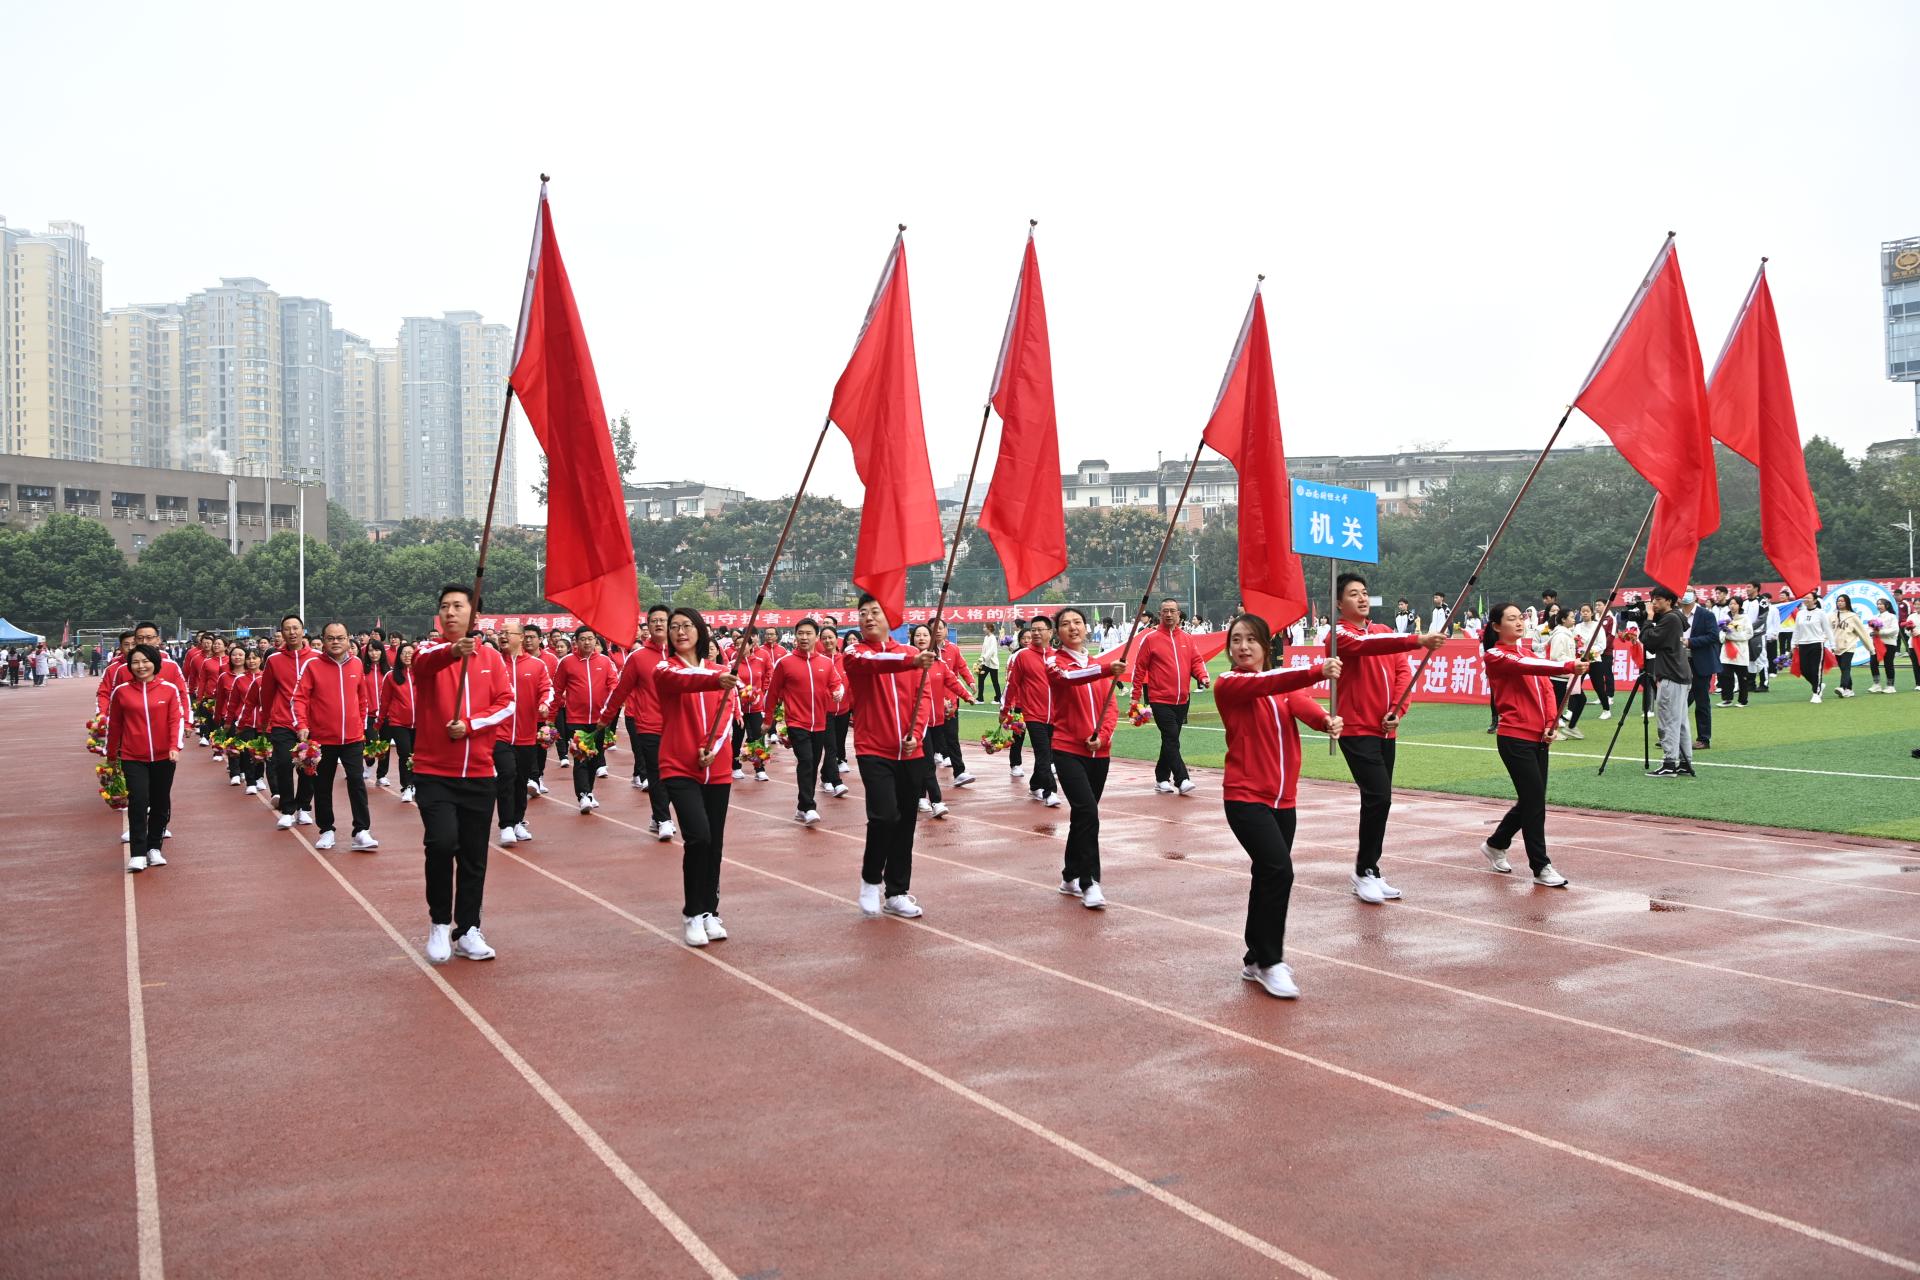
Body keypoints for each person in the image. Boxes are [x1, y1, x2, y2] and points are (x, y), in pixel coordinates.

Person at [1213, 615, 1342, 998]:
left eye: (1251, 639)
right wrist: (1317, 670)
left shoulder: (1280, 688)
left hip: (1284, 799)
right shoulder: (1230, 683)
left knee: (1267, 875)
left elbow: (1301, 703)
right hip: (1245, 797)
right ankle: (1271, 962)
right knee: (1279, 870)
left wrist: (1326, 721)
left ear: (1265, 646)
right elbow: (1273, 683)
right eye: (1236, 640)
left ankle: (1255, 958)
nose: (1243, 647)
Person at [411, 585, 515, 964]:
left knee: (474, 855)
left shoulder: (492, 658)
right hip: (434, 771)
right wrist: (454, 651)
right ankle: (440, 922)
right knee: (441, 843)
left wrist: (470, 725)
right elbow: (424, 664)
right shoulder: (428, 651)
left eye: (458, 606)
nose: (450, 612)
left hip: (479, 772)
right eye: (444, 606)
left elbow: (507, 703)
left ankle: (468, 929)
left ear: (475, 615)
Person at [1331, 572, 1441, 901]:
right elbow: (1364, 647)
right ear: (1339, 603)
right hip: (1355, 728)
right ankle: (1363, 870)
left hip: (1385, 730)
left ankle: (1370, 869)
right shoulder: (1338, 635)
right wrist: (1416, 640)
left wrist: (1397, 711)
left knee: (1379, 800)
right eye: (1353, 594)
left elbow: (1402, 672)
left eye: (1364, 592)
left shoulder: (1383, 631)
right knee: (1379, 796)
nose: (1362, 598)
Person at [841, 594, 940, 919]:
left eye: (875, 612)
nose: (868, 617)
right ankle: (871, 879)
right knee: (884, 816)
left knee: (906, 822)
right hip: (873, 749)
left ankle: (897, 892)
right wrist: (910, 662)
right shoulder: (855, 652)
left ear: (890, 618)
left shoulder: (912, 655)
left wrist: (917, 733)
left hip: (911, 752)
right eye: (863, 613)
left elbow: (923, 698)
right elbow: (873, 663)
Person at [1478, 603, 1585, 886]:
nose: (1519, 623)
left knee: (1531, 800)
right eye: (1511, 619)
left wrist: (1551, 724)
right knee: (1534, 801)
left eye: (1521, 618)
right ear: (1496, 626)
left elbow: (1547, 689)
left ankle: (1496, 843)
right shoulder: (1495, 655)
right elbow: (1525, 667)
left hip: (1539, 737)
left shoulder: (1528, 654)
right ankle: (1540, 866)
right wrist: (1568, 666)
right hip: (1514, 737)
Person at [655, 607, 742, 946]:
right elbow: (683, 681)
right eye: (674, 626)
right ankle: (692, 912)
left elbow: (727, 715)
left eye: (687, 625)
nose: (680, 631)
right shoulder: (666, 668)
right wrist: (714, 680)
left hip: (716, 767)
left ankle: (709, 911)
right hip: (679, 766)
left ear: (700, 631)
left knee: (714, 842)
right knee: (698, 837)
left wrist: (712, 748)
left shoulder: (722, 673)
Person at [1045, 606, 1126, 910]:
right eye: (1066, 624)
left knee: (1083, 816)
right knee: (1088, 812)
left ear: (1086, 627)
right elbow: (1069, 678)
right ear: (1058, 632)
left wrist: (1102, 736)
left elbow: (1111, 708)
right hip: (1067, 748)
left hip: (1099, 752)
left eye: (1078, 622)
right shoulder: (1054, 662)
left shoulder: (1097, 664)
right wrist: (1106, 669)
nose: (1073, 627)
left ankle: (1070, 874)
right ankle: (1089, 882)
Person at [292, 622, 379, 852]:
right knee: (322, 786)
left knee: (357, 782)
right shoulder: (312, 665)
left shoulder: (357, 663)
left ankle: (361, 831)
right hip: (322, 739)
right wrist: (302, 725)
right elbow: (299, 698)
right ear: (323, 640)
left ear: (348, 639)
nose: (336, 642)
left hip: (352, 738)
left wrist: (361, 726)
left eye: (340, 638)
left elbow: (363, 699)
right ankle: (326, 830)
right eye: (331, 638)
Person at [107, 644, 186, 873]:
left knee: (160, 801)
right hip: (133, 756)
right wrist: (111, 755)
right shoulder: (121, 691)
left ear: (155, 663)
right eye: (135, 662)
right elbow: (115, 724)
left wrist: (174, 746)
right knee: (139, 800)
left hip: (164, 756)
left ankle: (154, 848)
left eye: (145, 661)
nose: (141, 666)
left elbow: (176, 719)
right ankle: (138, 853)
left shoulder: (169, 689)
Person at [765, 617, 845, 826]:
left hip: (819, 722)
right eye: (800, 633)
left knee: (814, 762)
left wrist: (838, 692)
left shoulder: (825, 663)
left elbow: (836, 683)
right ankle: (809, 806)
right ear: (795, 636)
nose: (804, 637)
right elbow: (772, 692)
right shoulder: (785, 663)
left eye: (808, 633)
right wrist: (767, 720)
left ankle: (802, 807)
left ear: (816, 637)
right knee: (807, 761)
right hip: (796, 722)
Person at [1134, 596, 1213, 796]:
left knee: (1170, 740)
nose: (1169, 614)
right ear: (1160, 614)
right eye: (1165, 611)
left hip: (1182, 699)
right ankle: (1182, 779)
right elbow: (1139, 668)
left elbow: (1196, 661)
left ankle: (1161, 778)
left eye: (1172, 611)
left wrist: (1202, 676)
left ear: (1179, 614)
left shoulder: (1187, 638)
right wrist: (1135, 697)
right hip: (1159, 699)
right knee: (1171, 738)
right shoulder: (1150, 639)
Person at [257, 615, 319, 830]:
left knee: (309, 764)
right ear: (282, 633)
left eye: (296, 628)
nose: (292, 632)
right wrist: (265, 720)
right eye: (287, 629)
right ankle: (287, 809)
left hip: (311, 722)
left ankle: (304, 807)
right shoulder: (274, 660)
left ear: (303, 630)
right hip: (282, 721)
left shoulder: (317, 658)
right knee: (284, 764)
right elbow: (267, 693)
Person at [496, 622, 553, 847]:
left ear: (520, 637)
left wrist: (544, 703)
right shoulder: (494, 663)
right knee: (507, 774)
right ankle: (506, 825)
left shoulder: (537, 665)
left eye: (507, 633)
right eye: (500, 633)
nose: (502, 636)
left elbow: (547, 689)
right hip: (499, 734)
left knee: (521, 780)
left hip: (526, 733)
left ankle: (518, 821)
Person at [553, 627, 616, 812]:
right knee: (581, 757)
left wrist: (610, 705)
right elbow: (557, 689)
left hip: (599, 719)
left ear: (596, 641)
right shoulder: (566, 662)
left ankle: (589, 792)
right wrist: (550, 716)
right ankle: (583, 795)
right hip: (575, 718)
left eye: (590, 639)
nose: (587, 642)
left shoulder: (605, 661)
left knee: (594, 758)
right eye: (582, 639)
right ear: (576, 642)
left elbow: (613, 684)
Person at [1004, 614, 1060, 805]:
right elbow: (1012, 684)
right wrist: (1005, 710)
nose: (1036, 633)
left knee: (1049, 753)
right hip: (1033, 714)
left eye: (1040, 629)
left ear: (1050, 632)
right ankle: (1050, 792)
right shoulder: (1022, 656)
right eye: (1033, 629)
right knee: (1043, 753)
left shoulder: (1058, 656)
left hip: (1056, 716)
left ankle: (1035, 784)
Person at [1641, 587, 1693, 777]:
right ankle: (1685, 762)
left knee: (1668, 720)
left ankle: (1669, 763)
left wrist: (1648, 618)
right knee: (1680, 721)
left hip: (1671, 674)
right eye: (1653, 599)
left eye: (1658, 599)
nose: (1654, 603)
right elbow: (1655, 644)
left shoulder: (1670, 618)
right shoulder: (1677, 617)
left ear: (1669, 601)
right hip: (1680, 673)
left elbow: (1648, 640)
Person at [929, 616, 977, 786]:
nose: (937, 631)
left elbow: (961, 667)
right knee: (929, 740)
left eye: (940, 628)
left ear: (946, 630)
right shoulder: (923, 653)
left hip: (950, 701)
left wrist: (970, 682)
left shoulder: (953, 649)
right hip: (929, 703)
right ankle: (925, 779)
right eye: (933, 629)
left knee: (952, 736)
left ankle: (959, 772)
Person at [379, 643, 419, 803]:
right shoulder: (391, 676)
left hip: (419, 723)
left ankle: (415, 783)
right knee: (405, 753)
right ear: (399, 656)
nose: (407, 656)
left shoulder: (422, 674)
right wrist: (380, 720)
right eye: (404, 653)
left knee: (417, 754)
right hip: (398, 722)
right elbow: (385, 700)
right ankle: (407, 786)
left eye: (410, 653)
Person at [1680, 593, 1720, 750]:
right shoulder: (1676, 614)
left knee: (1701, 701)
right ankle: (1673, 735)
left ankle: (1703, 738)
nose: (1685, 593)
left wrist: (1690, 642)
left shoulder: (1706, 615)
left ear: (1695, 596)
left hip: (1700, 662)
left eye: (1689, 590)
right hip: (1680, 662)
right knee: (1679, 700)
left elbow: (1713, 636)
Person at [1789, 589, 1835, 702]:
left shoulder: (1821, 613)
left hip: (1817, 644)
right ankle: (1819, 685)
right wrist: (1793, 644)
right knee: (1804, 669)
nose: (1806, 600)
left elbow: (1827, 629)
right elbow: (1797, 630)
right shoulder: (1800, 613)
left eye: (1809, 598)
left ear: (1814, 600)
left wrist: (1832, 645)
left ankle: (1816, 693)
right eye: (1805, 598)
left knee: (1816, 669)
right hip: (1803, 644)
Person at [1829, 594, 1872, 699]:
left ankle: (1842, 687)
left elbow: (1862, 632)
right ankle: (1849, 689)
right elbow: (1828, 631)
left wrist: (1870, 648)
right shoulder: (1832, 616)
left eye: (1842, 601)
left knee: (1845, 667)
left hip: (1849, 646)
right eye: (1838, 601)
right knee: (1843, 668)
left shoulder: (1853, 616)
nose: (1840, 603)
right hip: (1837, 647)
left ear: (1847, 602)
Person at [1868, 599, 1900, 692]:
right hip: (1876, 643)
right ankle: (1876, 684)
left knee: (1888, 664)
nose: (1879, 606)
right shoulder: (1875, 617)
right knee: (1873, 663)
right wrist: (1871, 633)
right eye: (1878, 604)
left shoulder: (1892, 616)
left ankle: (1890, 686)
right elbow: (1869, 629)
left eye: (1881, 604)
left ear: (1887, 606)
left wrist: (1880, 633)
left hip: (1889, 643)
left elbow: (1895, 630)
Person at [975, 623, 1004, 703]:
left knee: (995, 681)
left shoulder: (993, 638)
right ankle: (980, 698)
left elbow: (990, 651)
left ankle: (998, 698)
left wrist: (983, 658)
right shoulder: (986, 638)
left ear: (989, 628)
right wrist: (981, 660)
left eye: (985, 627)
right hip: (986, 663)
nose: (983, 629)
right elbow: (984, 650)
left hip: (993, 664)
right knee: (981, 678)